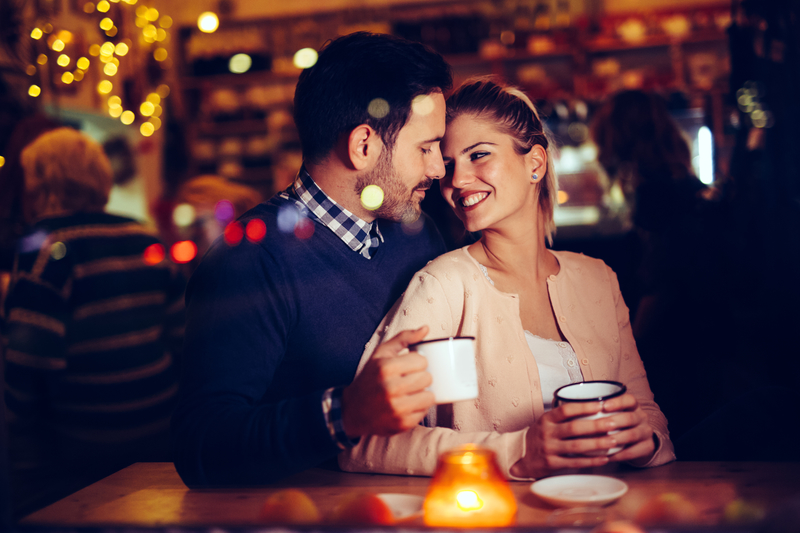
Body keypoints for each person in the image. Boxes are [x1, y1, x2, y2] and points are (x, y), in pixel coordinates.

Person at [339, 79, 675, 480]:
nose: (457, 181)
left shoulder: (597, 280)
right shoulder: (444, 285)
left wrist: (646, 439)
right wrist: (518, 451)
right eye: (448, 165)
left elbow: (647, 414)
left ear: (535, 163)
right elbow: (361, 441)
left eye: (478, 155)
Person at [170, 32, 452, 486]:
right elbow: (199, 446)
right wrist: (344, 413)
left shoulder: (419, 234)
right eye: (425, 147)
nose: (439, 168)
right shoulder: (248, 262)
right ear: (364, 145)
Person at [3, 128, 184, 516]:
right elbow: (182, 339)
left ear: (39, 184)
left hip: (81, 452)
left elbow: (28, 368)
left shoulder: (45, 251)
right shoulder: (144, 238)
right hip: (160, 437)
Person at [589, 90, 731, 441]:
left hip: (675, 337)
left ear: (619, 135)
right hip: (707, 330)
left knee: (675, 432)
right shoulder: (679, 181)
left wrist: (630, 347)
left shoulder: (653, 193)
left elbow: (659, 282)